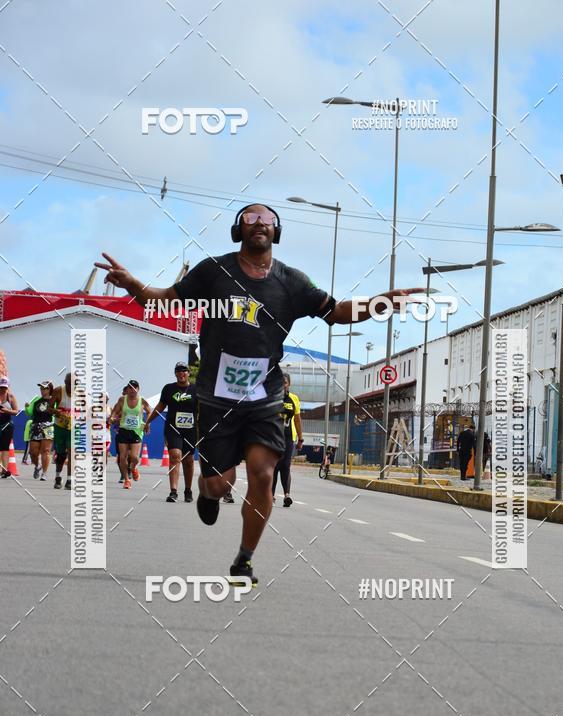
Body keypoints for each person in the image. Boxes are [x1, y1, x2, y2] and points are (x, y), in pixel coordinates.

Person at [96, 203, 421, 585]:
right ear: (239, 230)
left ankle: (244, 559)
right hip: (216, 398)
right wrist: (133, 283)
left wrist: (379, 303)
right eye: (251, 219)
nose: (259, 224)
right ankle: (207, 491)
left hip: (264, 396)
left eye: (267, 220)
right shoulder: (213, 271)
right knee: (221, 483)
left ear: (276, 232)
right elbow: (165, 299)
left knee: (263, 474)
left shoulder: (292, 282)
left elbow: (336, 311)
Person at [145, 362, 196, 503]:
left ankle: (188, 490)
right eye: (178, 371)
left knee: (188, 460)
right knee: (175, 455)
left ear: (188, 373)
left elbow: (203, 410)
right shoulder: (169, 389)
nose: (181, 373)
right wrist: (148, 421)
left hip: (191, 429)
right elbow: (160, 407)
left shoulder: (196, 389)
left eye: (184, 370)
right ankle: (173, 491)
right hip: (173, 428)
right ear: (175, 373)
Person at [110, 380, 151, 489]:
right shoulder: (122, 400)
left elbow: (149, 411)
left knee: (134, 457)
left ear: (138, 389)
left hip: (137, 431)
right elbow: (115, 411)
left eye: (135, 388)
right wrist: (112, 417)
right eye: (130, 388)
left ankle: (133, 468)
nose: (132, 390)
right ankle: (127, 480)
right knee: (122, 457)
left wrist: (148, 423)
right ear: (127, 389)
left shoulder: (142, 401)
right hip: (123, 430)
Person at [272, 373, 303, 506]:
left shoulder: (294, 399)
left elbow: (297, 419)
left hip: (289, 437)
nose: (282, 384)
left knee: (285, 466)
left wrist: (300, 438)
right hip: (273, 437)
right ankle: (270, 495)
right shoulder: (272, 397)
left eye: (285, 382)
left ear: (288, 384)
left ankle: (287, 496)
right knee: (274, 466)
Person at [27, 381, 55, 480]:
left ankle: (44, 473)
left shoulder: (54, 401)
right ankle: (37, 466)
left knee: (46, 450)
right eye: (41, 388)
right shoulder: (37, 401)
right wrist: (27, 409)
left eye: (45, 388)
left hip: (48, 426)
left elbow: (57, 414)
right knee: (33, 451)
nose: (42, 390)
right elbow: (30, 414)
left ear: (50, 389)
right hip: (36, 426)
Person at [51, 372, 72, 489]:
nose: (71, 387)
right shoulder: (58, 391)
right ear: (65, 383)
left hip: (73, 427)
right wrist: (56, 412)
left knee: (72, 452)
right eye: (69, 384)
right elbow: (48, 407)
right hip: (59, 427)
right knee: (61, 455)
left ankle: (70, 480)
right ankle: (58, 477)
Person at [0, 377, 19, 477]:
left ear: (8, 387)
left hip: (7, 424)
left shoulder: (10, 397)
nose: (3, 389)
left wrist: (7, 410)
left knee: (5, 448)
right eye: (1, 387)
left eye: (5, 387)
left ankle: (4, 470)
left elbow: (16, 412)